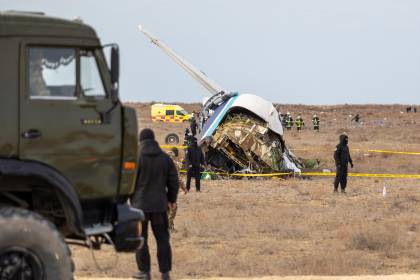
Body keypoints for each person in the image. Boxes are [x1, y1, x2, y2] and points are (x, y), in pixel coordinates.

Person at [132, 129, 179, 280]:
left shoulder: (135, 158)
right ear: (154, 140)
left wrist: (127, 202)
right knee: (162, 239)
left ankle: (144, 272)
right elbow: (174, 181)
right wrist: (171, 199)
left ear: (141, 141)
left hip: (139, 207)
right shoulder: (165, 158)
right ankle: (165, 273)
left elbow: (127, 183)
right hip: (160, 206)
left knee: (141, 239)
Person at [167, 148, 188, 232]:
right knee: (173, 208)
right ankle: (169, 227)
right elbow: (178, 179)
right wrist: (184, 188)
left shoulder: (159, 164)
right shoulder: (174, 165)